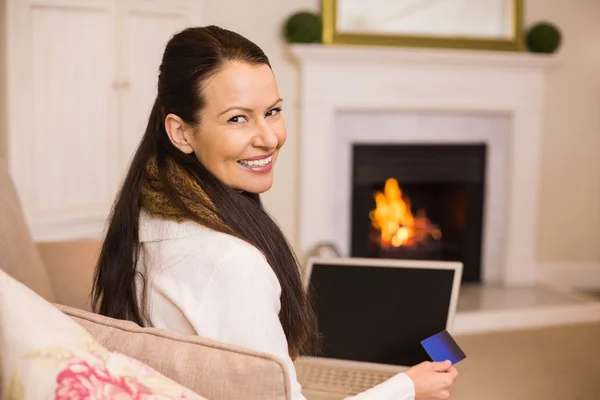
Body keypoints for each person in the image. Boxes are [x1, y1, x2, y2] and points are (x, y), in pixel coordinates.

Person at [91, 25, 459, 400]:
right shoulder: (232, 262)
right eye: (238, 118)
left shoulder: (149, 212)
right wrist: (407, 389)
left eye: (272, 111)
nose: (268, 137)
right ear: (181, 132)